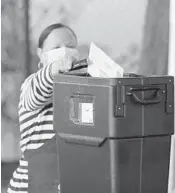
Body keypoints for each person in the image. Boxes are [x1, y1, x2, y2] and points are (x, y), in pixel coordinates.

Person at [7, 23, 79, 193]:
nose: (64, 51)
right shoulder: (31, 84)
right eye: (56, 47)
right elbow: (38, 91)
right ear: (41, 54)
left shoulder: (80, 91)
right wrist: (55, 68)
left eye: (70, 47)